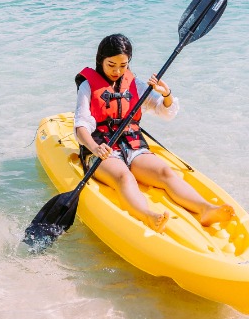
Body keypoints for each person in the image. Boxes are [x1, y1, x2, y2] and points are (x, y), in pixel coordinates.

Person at [75, 33, 236, 233]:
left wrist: (166, 94)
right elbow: (81, 125)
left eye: (123, 65)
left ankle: (206, 209)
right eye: (111, 64)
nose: (117, 70)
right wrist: (95, 147)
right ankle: (147, 215)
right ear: (100, 60)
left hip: (132, 146)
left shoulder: (135, 84)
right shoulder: (88, 86)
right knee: (124, 177)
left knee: (165, 172)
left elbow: (163, 110)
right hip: (102, 149)